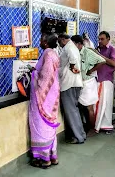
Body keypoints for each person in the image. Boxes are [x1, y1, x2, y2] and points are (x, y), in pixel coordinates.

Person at [29, 34, 60, 169]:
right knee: (50, 125)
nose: (40, 42)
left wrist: (34, 74)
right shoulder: (53, 53)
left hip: (43, 98)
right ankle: (53, 156)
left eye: (41, 40)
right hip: (53, 95)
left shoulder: (47, 54)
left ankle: (44, 158)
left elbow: (45, 77)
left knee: (41, 125)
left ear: (46, 43)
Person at [71, 35, 106, 135]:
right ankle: (85, 126)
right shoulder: (75, 53)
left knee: (89, 107)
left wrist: (91, 70)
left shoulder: (87, 52)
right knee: (82, 107)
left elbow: (102, 61)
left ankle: (92, 129)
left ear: (79, 44)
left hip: (88, 83)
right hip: (79, 82)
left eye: (73, 44)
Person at [58, 33, 85, 144]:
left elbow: (73, 60)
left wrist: (73, 69)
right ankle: (80, 135)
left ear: (64, 40)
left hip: (69, 84)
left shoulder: (69, 47)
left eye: (59, 41)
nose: (59, 44)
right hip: (74, 83)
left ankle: (78, 137)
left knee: (71, 111)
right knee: (74, 110)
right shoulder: (72, 47)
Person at [95, 31, 115, 133]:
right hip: (96, 79)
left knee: (106, 104)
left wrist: (99, 56)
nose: (100, 41)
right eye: (99, 39)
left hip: (106, 80)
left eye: (102, 39)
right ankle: (98, 125)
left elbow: (113, 63)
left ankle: (107, 125)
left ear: (108, 39)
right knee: (98, 104)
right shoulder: (97, 49)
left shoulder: (112, 50)